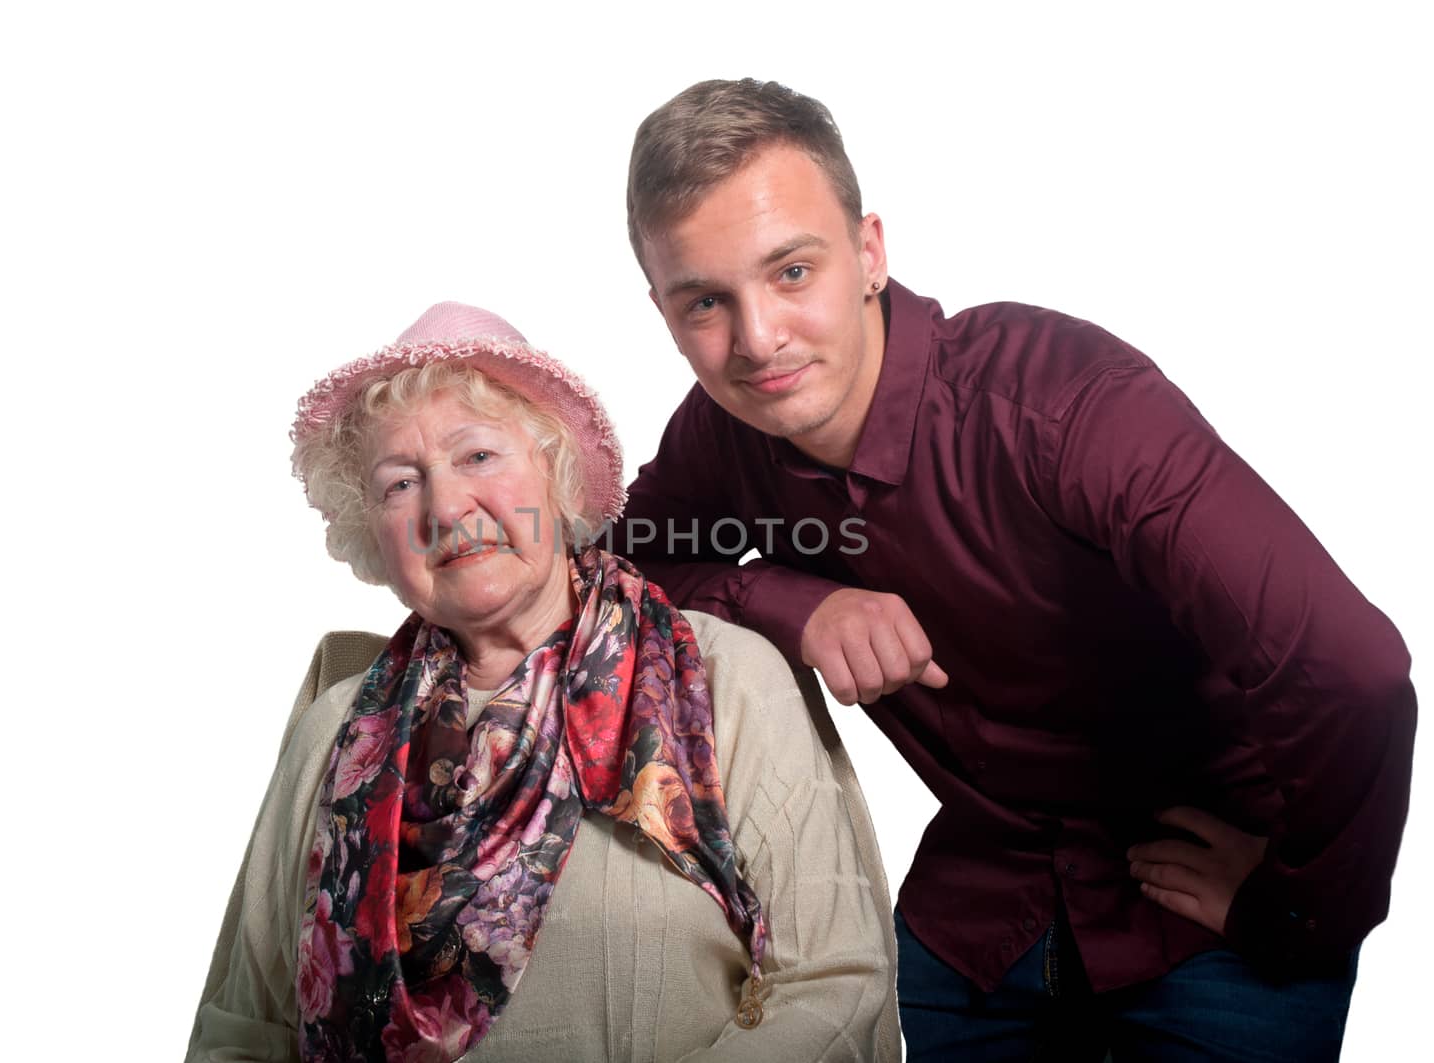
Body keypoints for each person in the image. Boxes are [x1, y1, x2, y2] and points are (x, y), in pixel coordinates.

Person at [616, 79, 1416, 1061]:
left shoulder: (1065, 408)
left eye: (790, 271)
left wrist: (1296, 909)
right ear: (660, 307)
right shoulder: (724, 433)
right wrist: (790, 602)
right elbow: (614, 581)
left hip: (1205, 922)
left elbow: (1349, 668)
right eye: (705, 301)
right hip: (981, 916)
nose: (757, 339)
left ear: (868, 252)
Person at [184, 302, 902, 1062]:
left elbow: (834, 981)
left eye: (479, 456)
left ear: (557, 476)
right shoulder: (335, 727)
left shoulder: (722, 681)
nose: (446, 506)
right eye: (400, 483)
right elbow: (242, 1029)